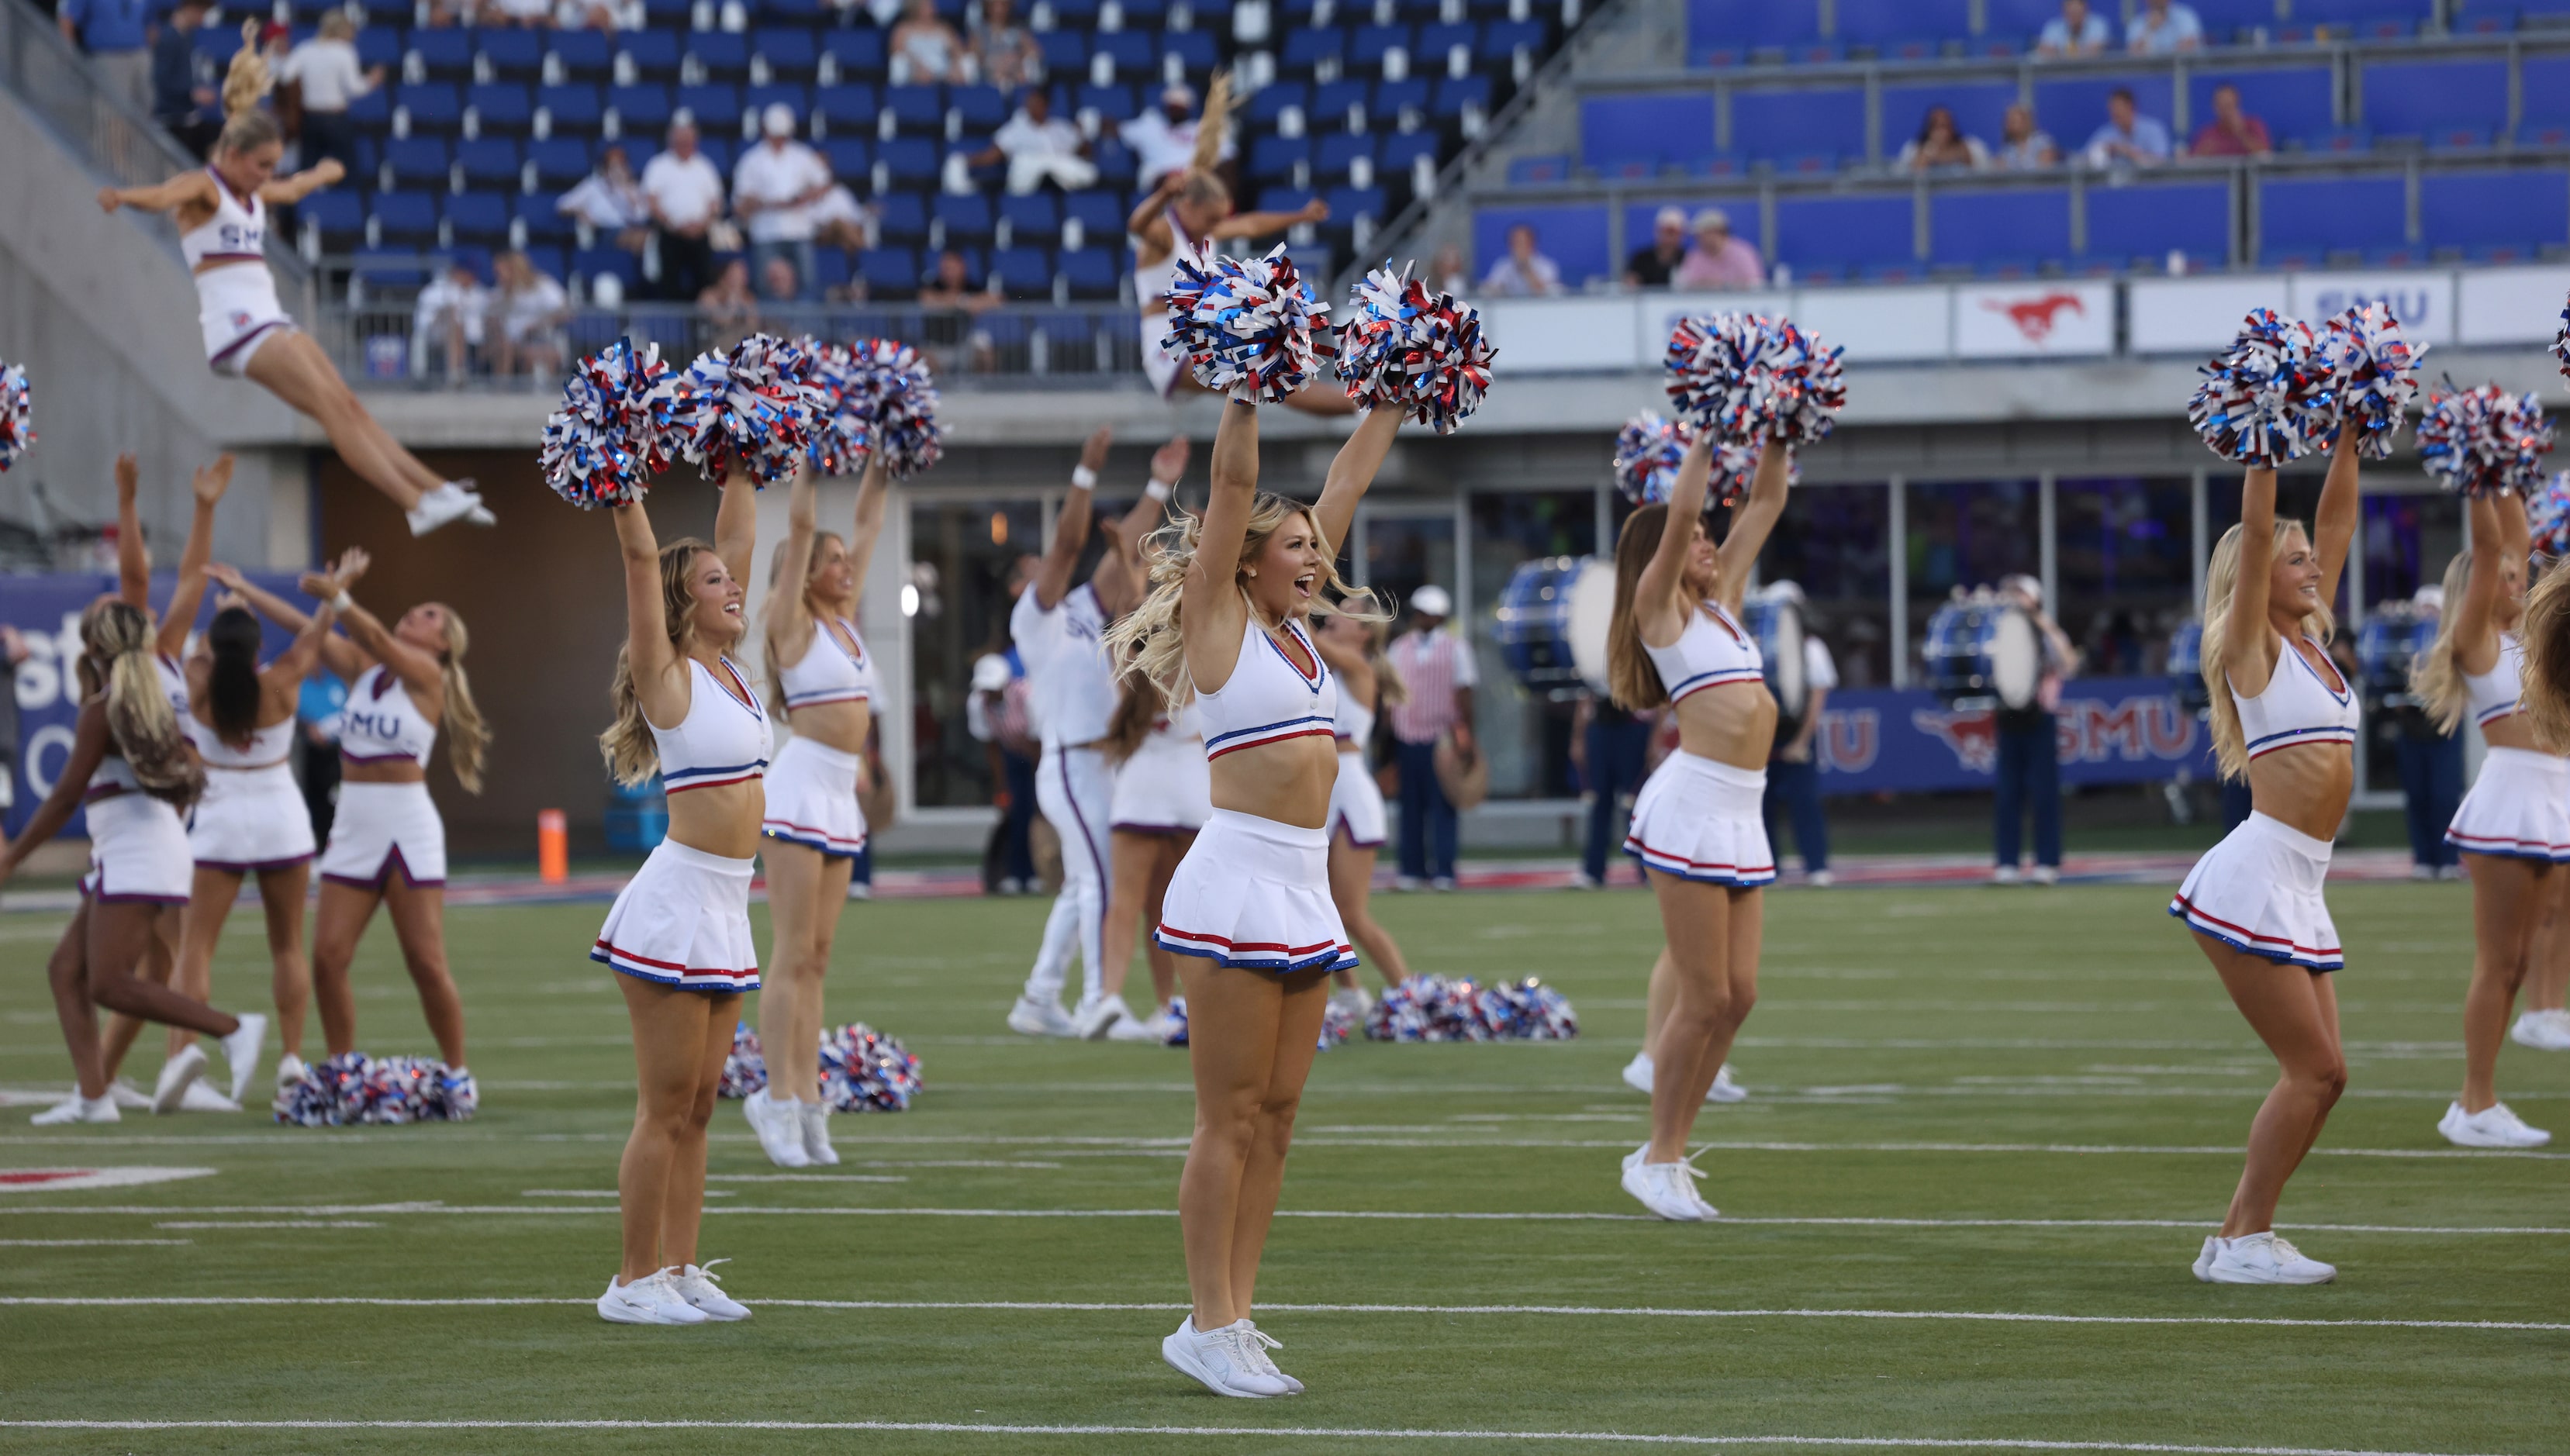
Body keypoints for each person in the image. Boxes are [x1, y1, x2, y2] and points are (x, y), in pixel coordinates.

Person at [1098, 390, 1408, 1398]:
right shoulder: (1218, 613)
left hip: (1301, 885)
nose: (1312, 558)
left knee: (1276, 1118)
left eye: (1316, 548)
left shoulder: (1303, 631)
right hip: (1233, 878)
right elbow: (1233, 482)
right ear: (1243, 561)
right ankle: (1205, 1318)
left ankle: (1238, 1312)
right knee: (1225, 1116)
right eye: (1291, 546)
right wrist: (1247, 382)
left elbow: (1348, 479)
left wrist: (1393, 395)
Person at [96, 32, 493, 537]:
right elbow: (161, 193)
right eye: (261, 165)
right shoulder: (205, 187)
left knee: (348, 404)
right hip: (237, 328)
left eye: (272, 166)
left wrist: (323, 174)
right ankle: (413, 503)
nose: (267, 175)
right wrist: (123, 196)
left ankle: (437, 490)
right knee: (331, 410)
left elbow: (294, 185)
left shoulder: (253, 192)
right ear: (235, 156)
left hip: (268, 318)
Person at [2167, 434, 2359, 1284]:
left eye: (2310, 558)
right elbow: (2253, 526)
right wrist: (2263, 438)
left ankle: (2237, 1237)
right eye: (2293, 560)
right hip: (2254, 875)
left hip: (2301, 880)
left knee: (2330, 1077)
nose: (2311, 566)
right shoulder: (2251, 647)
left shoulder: (2314, 640)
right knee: (2309, 1069)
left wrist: (2352, 430)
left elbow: (2338, 518)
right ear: (2256, 575)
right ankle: (2243, 1241)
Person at [592, 466, 765, 1326]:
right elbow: (637, 555)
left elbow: (737, 538)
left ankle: (682, 1264)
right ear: (678, 603)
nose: (732, 585)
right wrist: (618, 473)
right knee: (664, 1107)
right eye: (712, 582)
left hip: (727, 907)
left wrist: (743, 460)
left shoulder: (728, 669)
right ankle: (631, 1281)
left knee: (700, 1105)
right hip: (674, 905)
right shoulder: (670, 676)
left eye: (730, 580)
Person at [1607, 431, 1794, 1219]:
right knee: (1702, 994)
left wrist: (1779, 431)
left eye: (1709, 540)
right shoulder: (1659, 614)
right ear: (1660, 554)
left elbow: (1766, 502)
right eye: (1694, 540)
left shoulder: (1721, 612)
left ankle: (1669, 1149)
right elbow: (1684, 506)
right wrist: (1708, 434)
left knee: (1738, 996)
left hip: (1740, 809)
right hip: (1690, 807)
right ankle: (1658, 1155)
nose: (1709, 544)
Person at [226, 549, 486, 1106]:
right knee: (327, 957)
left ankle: (459, 1072)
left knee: (425, 960)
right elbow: (304, 627)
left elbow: (377, 637)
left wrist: (340, 596)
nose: (415, 614)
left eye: (429, 615)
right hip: (354, 824)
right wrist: (247, 590)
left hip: (407, 825)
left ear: (442, 643)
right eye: (416, 609)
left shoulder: (427, 674)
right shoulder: (367, 672)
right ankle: (343, 1069)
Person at [6, 599, 265, 1124]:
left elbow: (63, 799)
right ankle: (94, 1098)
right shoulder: (141, 699)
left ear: (95, 647)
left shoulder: (105, 707)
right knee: (66, 971)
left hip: (137, 851)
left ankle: (233, 1029)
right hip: (138, 846)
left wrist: (11, 858)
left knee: (109, 982)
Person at [747, 457, 889, 1168]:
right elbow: (804, 523)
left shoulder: (841, 620)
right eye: (829, 560)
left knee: (820, 959)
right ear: (801, 573)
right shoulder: (791, 623)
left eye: (843, 562)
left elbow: (866, 522)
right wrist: (805, 461)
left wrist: (883, 463)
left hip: (840, 793)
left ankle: (807, 1100)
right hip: (801, 787)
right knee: (792, 954)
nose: (843, 565)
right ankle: (775, 1097)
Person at [1004, 427, 1166, 1037]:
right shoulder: (1042, 616)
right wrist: (1086, 472)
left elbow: (1126, 547)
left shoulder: (1102, 617)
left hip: (1105, 764)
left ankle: (1040, 997)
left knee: (1083, 881)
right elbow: (1072, 545)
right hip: (1071, 761)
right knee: (1102, 878)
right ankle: (1101, 1000)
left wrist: (1157, 483)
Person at [2408, 494, 2558, 1149]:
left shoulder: (2535, 636)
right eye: (2504, 573)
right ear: (2475, 586)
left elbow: (2517, 542)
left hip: (2556, 797)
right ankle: (2476, 1101)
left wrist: (2509, 479)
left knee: (2523, 961)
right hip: (2509, 802)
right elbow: (2496, 543)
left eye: (2521, 572)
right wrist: (2481, 479)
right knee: (2498, 962)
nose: (2519, 579)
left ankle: (2478, 1101)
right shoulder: (2476, 641)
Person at [161, 566, 342, 1098]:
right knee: (286, 945)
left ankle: (186, 1049)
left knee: (196, 948)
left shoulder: (196, 680)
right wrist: (335, 594)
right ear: (259, 643)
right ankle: (290, 1057)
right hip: (278, 814)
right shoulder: (282, 679)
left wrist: (217, 618)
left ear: (214, 646)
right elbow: (315, 636)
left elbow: (191, 653)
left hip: (218, 815)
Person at [90, 453, 235, 1112]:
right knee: (161, 964)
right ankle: (168, 1072)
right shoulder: (128, 672)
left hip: (162, 826)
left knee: (159, 964)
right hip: (141, 828)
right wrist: (127, 502)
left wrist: (203, 509)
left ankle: (108, 1081)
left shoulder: (165, 654)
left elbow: (186, 579)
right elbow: (138, 578)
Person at [1129, 75, 1345, 416]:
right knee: (1266, 376)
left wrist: (1300, 216)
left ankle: (1353, 405)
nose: (1218, 226)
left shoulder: (1205, 233)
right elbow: (1136, 225)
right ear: (1189, 206)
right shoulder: (1165, 233)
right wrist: (1162, 196)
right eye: (1212, 218)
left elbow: (1252, 223)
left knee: (1266, 372)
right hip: (1168, 348)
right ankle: (1358, 407)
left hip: (1198, 339)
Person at [1080, 436, 1198, 1042]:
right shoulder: (1152, 636)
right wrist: (1127, 559)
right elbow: (1132, 601)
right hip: (1162, 770)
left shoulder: (1201, 629)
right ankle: (1115, 999)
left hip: (1180, 775)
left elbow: (1135, 597)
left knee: (1162, 904)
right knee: (1143, 899)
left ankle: (1162, 1003)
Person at [1314, 610, 1410, 1015]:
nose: (1333, 615)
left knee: (1351, 911)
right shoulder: (1328, 665)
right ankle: (1352, 993)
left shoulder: (1358, 666)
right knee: (1319, 904)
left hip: (1350, 790)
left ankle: (1410, 994)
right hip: (1322, 789)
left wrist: (1291, 599)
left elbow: (1309, 638)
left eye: (1346, 612)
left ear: (1365, 632)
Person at [1384, 584, 1476, 892]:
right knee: (1411, 806)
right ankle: (1412, 870)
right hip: (1408, 737)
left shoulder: (1457, 647)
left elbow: (1464, 694)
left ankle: (1445, 870)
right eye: (1423, 613)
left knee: (1443, 805)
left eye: (1432, 614)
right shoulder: (1399, 648)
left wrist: (1467, 738)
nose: (1427, 619)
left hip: (1443, 739)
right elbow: (1390, 694)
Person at [1991, 574, 2079, 885]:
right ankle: (2007, 863)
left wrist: (2040, 622)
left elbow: (2068, 662)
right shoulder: (2000, 632)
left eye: (2021, 594)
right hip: (2008, 716)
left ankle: (2047, 862)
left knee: (2044, 793)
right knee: (2007, 794)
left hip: (2040, 716)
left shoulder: (2044, 632)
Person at [2389, 583, 2465, 882]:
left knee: (2444, 796)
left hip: (2444, 728)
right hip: (2412, 728)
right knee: (2417, 796)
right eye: (2425, 609)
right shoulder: (2403, 643)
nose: (2428, 615)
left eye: (2434, 609)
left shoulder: (2454, 642)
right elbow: (2389, 682)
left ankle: (2447, 859)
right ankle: (2423, 858)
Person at [1762, 585, 1835, 886]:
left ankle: (1816, 865)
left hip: (1795, 734)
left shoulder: (1811, 648)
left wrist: (1801, 741)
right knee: (1760, 806)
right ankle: (1767, 867)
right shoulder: (1757, 647)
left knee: (1804, 802)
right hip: (1765, 735)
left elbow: (1817, 698)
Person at [733, 104, 829, 305]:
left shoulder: (802, 156)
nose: (779, 140)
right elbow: (741, 200)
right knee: (765, 287)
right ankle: (771, 334)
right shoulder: (752, 160)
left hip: (799, 231)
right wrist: (765, 203)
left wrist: (802, 198)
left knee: (807, 285)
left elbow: (822, 184)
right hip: (766, 232)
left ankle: (805, 332)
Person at [278, 15, 382, 181]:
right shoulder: (344, 51)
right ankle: (347, 205)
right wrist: (372, 81)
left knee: (307, 169)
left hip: (310, 118)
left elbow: (285, 75)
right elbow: (354, 88)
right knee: (347, 169)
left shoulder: (306, 49)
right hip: (335, 118)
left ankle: (306, 205)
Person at [642, 117, 726, 304]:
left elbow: (715, 203)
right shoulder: (658, 166)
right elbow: (651, 202)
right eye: (680, 141)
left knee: (704, 281)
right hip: (671, 234)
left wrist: (701, 225)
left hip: (700, 234)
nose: (685, 145)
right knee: (670, 283)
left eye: (688, 141)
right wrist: (675, 225)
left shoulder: (705, 167)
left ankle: (703, 327)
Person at [1572, 689, 1648, 889]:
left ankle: (1647, 869)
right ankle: (1593, 870)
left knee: (1634, 804)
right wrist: (1578, 735)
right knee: (1598, 803)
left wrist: (1656, 736)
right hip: (1600, 725)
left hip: (1633, 725)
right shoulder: (1594, 659)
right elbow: (1585, 692)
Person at [977, 88, 1097, 196]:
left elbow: (1084, 149)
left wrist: (1083, 131)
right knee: (1023, 161)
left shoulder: (1062, 127)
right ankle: (1018, 200)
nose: (1032, 107)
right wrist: (969, 161)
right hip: (1029, 167)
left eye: (1037, 103)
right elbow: (992, 155)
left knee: (1088, 172)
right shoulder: (1014, 129)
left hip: (1059, 168)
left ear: (1046, 105)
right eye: (1030, 103)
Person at [1124, 82, 1235, 192]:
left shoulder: (1201, 129)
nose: (1175, 109)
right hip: (1161, 178)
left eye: (1180, 105)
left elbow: (1229, 154)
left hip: (1195, 178)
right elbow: (1117, 130)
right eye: (1172, 105)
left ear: (1188, 107)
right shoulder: (1150, 124)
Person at [150, 0, 221, 157]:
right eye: (201, 13)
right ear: (191, 8)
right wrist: (191, 93)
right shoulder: (169, 38)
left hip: (187, 116)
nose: (202, 19)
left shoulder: (187, 35)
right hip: (172, 119)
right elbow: (161, 80)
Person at [59, 0, 154, 115]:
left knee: (147, 106)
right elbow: (68, 20)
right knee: (112, 111)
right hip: (108, 56)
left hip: (140, 54)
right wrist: (69, 53)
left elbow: (150, 24)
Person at [558, 143, 654, 257]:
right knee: (642, 239)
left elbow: (642, 216)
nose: (618, 170)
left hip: (632, 228)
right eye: (613, 166)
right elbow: (563, 204)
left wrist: (628, 192)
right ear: (605, 168)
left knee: (653, 238)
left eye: (621, 165)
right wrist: (580, 212)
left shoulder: (633, 188)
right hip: (605, 231)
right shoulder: (594, 186)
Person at [492, 250, 571, 378]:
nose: (499, 276)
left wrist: (539, 324)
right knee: (506, 347)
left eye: (501, 272)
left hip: (539, 338)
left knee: (544, 353)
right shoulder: (500, 292)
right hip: (510, 342)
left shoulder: (542, 285)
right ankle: (501, 389)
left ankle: (545, 395)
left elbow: (565, 311)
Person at [414, 258, 489, 381]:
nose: (471, 277)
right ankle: (455, 375)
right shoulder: (433, 292)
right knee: (455, 328)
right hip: (438, 339)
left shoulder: (480, 293)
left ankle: (502, 386)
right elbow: (422, 325)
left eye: (473, 274)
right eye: (467, 273)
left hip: (476, 340)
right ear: (457, 272)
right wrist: (442, 315)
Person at [1670, 208, 1763, 291]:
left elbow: (1755, 286)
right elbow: (1683, 285)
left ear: (1715, 232)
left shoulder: (1743, 254)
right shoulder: (1695, 256)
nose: (1698, 238)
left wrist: (1723, 285)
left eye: (1702, 234)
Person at [2083, 88, 2171, 170]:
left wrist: (2128, 152)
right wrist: (2100, 153)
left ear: (2130, 106)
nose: (2114, 112)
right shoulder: (2105, 133)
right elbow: (2083, 160)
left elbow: (2161, 162)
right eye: (2112, 108)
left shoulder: (2153, 129)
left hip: (2149, 183)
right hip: (2113, 183)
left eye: (2118, 107)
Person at [890, 0, 969, 84]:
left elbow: (958, 52)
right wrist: (917, 66)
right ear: (916, 8)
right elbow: (898, 54)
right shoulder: (902, 30)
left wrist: (955, 66)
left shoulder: (945, 29)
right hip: (915, 71)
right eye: (927, 6)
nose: (933, 9)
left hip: (943, 71)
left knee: (965, 65)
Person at [972, 0, 1042, 91]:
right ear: (988, 7)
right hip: (989, 76)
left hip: (1014, 74)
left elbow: (1034, 52)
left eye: (1003, 5)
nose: (999, 9)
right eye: (995, 5)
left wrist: (1016, 60)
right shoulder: (979, 32)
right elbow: (974, 57)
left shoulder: (1018, 29)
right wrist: (995, 63)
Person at [2190, 83, 2273, 159]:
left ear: (2237, 105)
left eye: (2229, 106)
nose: (2226, 111)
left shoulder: (2254, 126)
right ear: (2215, 108)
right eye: (2221, 107)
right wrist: (2203, 153)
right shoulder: (2207, 134)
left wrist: (2241, 133)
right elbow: (2191, 163)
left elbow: (2265, 156)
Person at [1896, 105, 1989, 172]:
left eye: (1946, 126)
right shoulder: (1913, 149)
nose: (1942, 132)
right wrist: (1924, 158)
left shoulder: (1971, 145)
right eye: (1936, 126)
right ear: (1928, 128)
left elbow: (1986, 172)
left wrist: (1965, 156)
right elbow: (1902, 177)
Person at [1480, 223, 1562, 297]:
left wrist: (1526, 269)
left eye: (1523, 243)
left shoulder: (1546, 265)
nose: (1519, 248)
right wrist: (1500, 288)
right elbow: (1487, 291)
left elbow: (1550, 293)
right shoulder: (1503, 265)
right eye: (1515, 243)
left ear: (1532, 244)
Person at [697, 257, 760, 351]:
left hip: (741, 351)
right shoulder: (709, 295)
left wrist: (746, 307)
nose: (739, 280)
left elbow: (754, 327)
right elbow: (723, 320)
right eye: (734, 275)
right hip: (715, 348)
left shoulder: (748, 297)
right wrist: (732, 301)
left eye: (742, 275)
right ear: (724, 276)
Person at [1624, 205, 1686, 289]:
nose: (1670, 237)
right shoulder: (1641, 258)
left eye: (1674, 233)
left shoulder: (1688, 258)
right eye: (1666, 232)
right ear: (1657, 232)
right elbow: (1630, 284)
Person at [1995, 103, 2058, 170]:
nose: (2009, 125)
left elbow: (2045, 169)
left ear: (2026, 122)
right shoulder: (2007, 150)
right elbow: (2000, 171)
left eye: (2014, 121)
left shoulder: (2043, 142)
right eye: (2008, 122)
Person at [2036, 0, 2112, 56]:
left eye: (2078, 13)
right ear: (2064, 12)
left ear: (2086, 10)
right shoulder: (2053, 27)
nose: (2074, 17)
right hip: (2060, 72)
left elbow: (2095, 50)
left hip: (2093, 70)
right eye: (2071, 13)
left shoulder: (2098, 24)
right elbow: (2046, 50)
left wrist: (2060, 52)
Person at [2126, 0, 2204, 53]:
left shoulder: (2185, 16)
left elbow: (2188, 48)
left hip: (2182, 72)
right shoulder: (2137, 24)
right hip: (2149, 74)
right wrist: (2149, 30)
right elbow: (2135, 56)